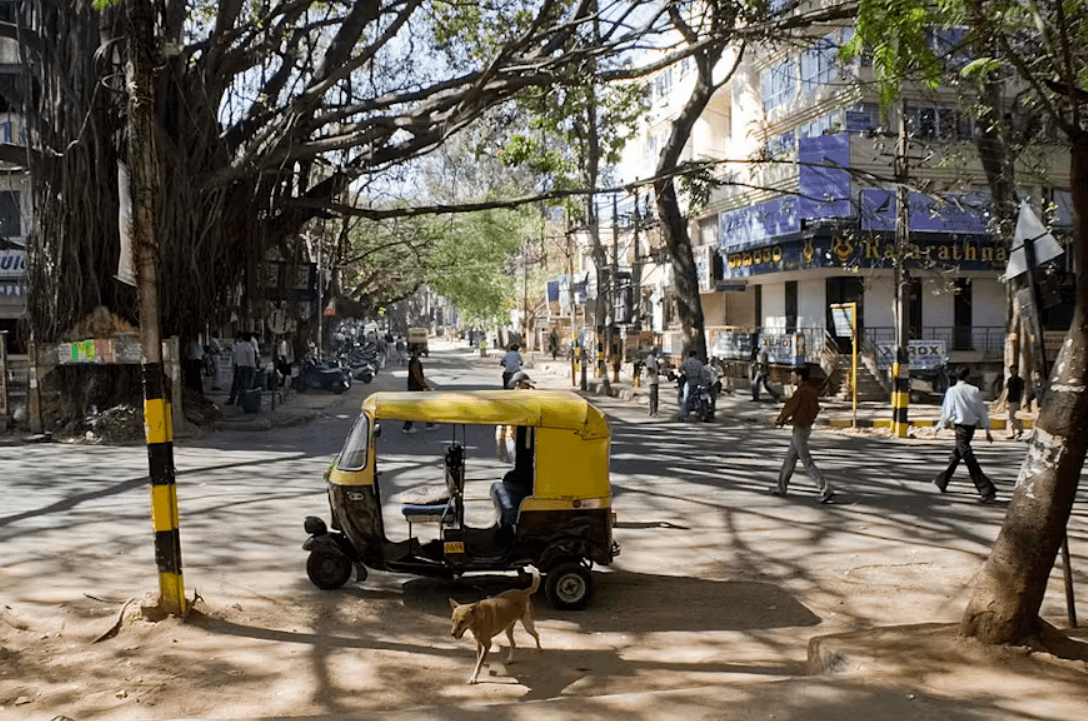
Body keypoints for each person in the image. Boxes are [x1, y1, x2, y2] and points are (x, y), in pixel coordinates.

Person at [932, 366, 998, 503]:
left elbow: (947, 412)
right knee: (957, 455)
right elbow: (982, 411)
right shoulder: (974, 390)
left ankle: (986, 489)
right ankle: (942, 481)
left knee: (969, 459)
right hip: (971, 428)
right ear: (968, 376)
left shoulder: (952, 391)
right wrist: (987, 429)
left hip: (960, 428)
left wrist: (939, 427)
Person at [773, 365, 836, 504]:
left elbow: (790, 408)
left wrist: (781, 420)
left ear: (800, 377)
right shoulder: (812, 391)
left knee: (806, 461)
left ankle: (825, 488)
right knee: (790, 458)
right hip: (805, 427)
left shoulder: (800, 392)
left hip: (800, 429)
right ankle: (781, 486)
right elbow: (815, 409)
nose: (792, 378)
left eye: (794, 375)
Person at [402, 349, 436, 434]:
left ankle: (428, 423)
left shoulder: (413, 361)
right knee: (418, 407)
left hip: (413, 388)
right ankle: (408, 426)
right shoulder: (415, 363)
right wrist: (426, 387)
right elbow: (418, 377)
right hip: (416, 389)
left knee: (419, 407)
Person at [226, 332, 257, 405]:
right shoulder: (250, 348)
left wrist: (233, 367)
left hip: (238, 367)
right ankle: (241, 401)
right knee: (245, 386)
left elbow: (234, 358)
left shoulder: (238, 346)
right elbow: (251, 361)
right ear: (250, 339)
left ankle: (231, 399)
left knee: (236, 385)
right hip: (247, 368)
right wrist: (254, 370)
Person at [677, 349, 704, 420]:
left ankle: (683, 414)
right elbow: (702, 373)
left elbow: (679, 368)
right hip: (697, 380)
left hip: (688, 380)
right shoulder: (699, 363)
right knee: (698, 397)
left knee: (686, 398)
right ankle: (700, 412)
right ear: (695, 355)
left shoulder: (686, 362)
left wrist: (684, 373)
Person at [1003, 364, 1025, 440]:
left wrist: (1021, 401)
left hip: (1016, 400)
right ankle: (1012, 432)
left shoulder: (1020, 380)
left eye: (1013, 370)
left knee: (1011, 416)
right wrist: (1005, 400)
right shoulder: (1009, 380)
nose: (1012, 372)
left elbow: (1022, 392)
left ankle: (1020, 429)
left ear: (1016, 371)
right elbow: (1007, 391)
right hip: (1010, 400)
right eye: (1010, 371)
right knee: (1010, 417)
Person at [642, 348, 662, 417]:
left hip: (654, 379)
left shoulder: (653, 358)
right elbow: (649, 368)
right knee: (653, 396)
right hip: (652, 379)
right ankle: (653, 411)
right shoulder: (650, 358)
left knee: (655, 395)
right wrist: (654, 372)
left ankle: (653, 411)